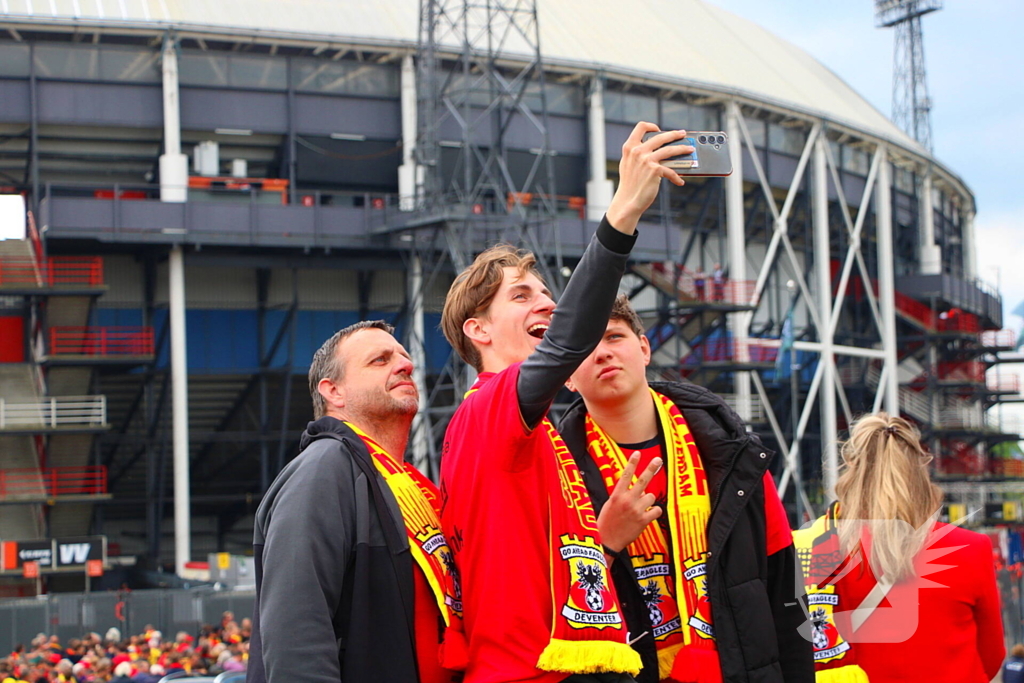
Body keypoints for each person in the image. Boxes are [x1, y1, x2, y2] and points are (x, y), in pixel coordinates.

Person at [440, 122, 691, 683]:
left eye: (550, 296)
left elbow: (525, 568)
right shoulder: (487, 408)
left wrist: (603, 537)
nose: (548, 306)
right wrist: (623, 209)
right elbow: (567, 342)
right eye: (523, 295)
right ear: (477, 330)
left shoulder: (529, 426)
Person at [558, 295, 814, 683]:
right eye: (585, 349)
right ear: (567, 377)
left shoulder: (731, 456)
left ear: (644, 348)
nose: (603, 354)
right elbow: (551, 619)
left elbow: (786, 596)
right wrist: (605, 545)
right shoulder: (557, 477)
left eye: (613, 337)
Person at [248, 321, 458, 683]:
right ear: (334, 391)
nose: (405, 365)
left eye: (405, 358)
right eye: (380, 360)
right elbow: (296, 631)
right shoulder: (321, 471)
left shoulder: (409, 483)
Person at [793, 413, 1004, 683]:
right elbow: (991, 655)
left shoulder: (810, 547)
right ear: (920, 473)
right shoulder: (971, 547)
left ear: (850, 469)